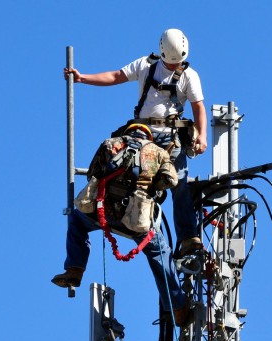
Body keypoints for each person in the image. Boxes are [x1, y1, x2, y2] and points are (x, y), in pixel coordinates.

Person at [63, 28, 206, 256]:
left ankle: (188, 236)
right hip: (142, 134)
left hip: (170, 137)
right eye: (170, 63)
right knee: (121, 168)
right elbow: (116, 76)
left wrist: (202, 136)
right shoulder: (146, 65)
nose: (173, 67)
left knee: (179, 183)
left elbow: (199, 107)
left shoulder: (189, 76)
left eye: (177, 63)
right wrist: (83, 78)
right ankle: (117, 213)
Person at [52, 125, 189, 324]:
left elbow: (93, 173)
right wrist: (153, 189)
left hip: (102, 211)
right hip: (136, 217)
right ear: (148, 135)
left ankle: (75, 270)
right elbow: (171, 180)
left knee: (76, 220)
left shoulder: (110, 144)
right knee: (160, 254)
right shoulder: (158, 152)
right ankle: (178, 309)